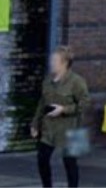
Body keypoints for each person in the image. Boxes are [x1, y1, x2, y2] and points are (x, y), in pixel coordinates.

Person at [31, 46, 90, 188]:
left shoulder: (77, 81)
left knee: (70, 163)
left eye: (55, 60)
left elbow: (85, 103)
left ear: (64, 63)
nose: (51, 63)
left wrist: (64, 109)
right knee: (42, 159)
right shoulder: (47, 81)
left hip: (72, 128)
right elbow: (42, 103)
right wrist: (34, 124)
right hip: (49, 128)